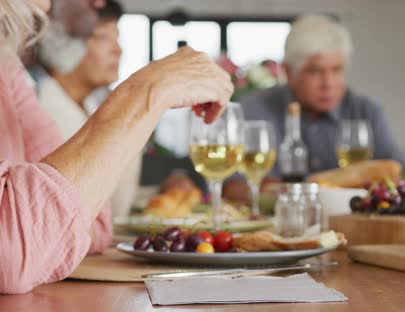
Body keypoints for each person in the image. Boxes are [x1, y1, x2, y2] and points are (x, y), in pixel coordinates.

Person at [0, 0, 232, 294]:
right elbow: (13, 255)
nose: (97, 3)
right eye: (102, 37)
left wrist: (49, 225)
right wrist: (146, 91)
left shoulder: (7, 68)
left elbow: (94, 218)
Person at [223, 14, 405, 202]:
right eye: (315, 71)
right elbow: (231, 186)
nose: (328, 83)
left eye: (337, 70)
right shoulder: (254, 109)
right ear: (289, 72)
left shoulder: (367, 112)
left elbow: (404, 174)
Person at [37, 1, 140, 218]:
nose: (118, 49)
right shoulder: (37, 107)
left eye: (117, 38)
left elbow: (115, 205)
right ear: (61, 41)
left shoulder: (97, 107)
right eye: (103, 37)